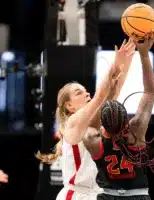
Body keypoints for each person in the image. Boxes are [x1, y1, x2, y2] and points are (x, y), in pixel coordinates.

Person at [85, 31, 154, 200]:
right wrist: (145, 54)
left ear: (103, 124)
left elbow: (92, 123)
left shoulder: (92, 139)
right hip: (137, 195)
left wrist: (110, 91)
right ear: (126, 120)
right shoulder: (136, 131)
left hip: (107, 195)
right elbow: (150, 92)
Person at [36, 38, 136, 200]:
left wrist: (127, 61)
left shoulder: (94, 122)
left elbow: (114, 91)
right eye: (78, 92)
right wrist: (115, 65)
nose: (86, 94)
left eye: (85, 90)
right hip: (76, 195)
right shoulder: (72, 123)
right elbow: (101, 96)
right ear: (69, 106)